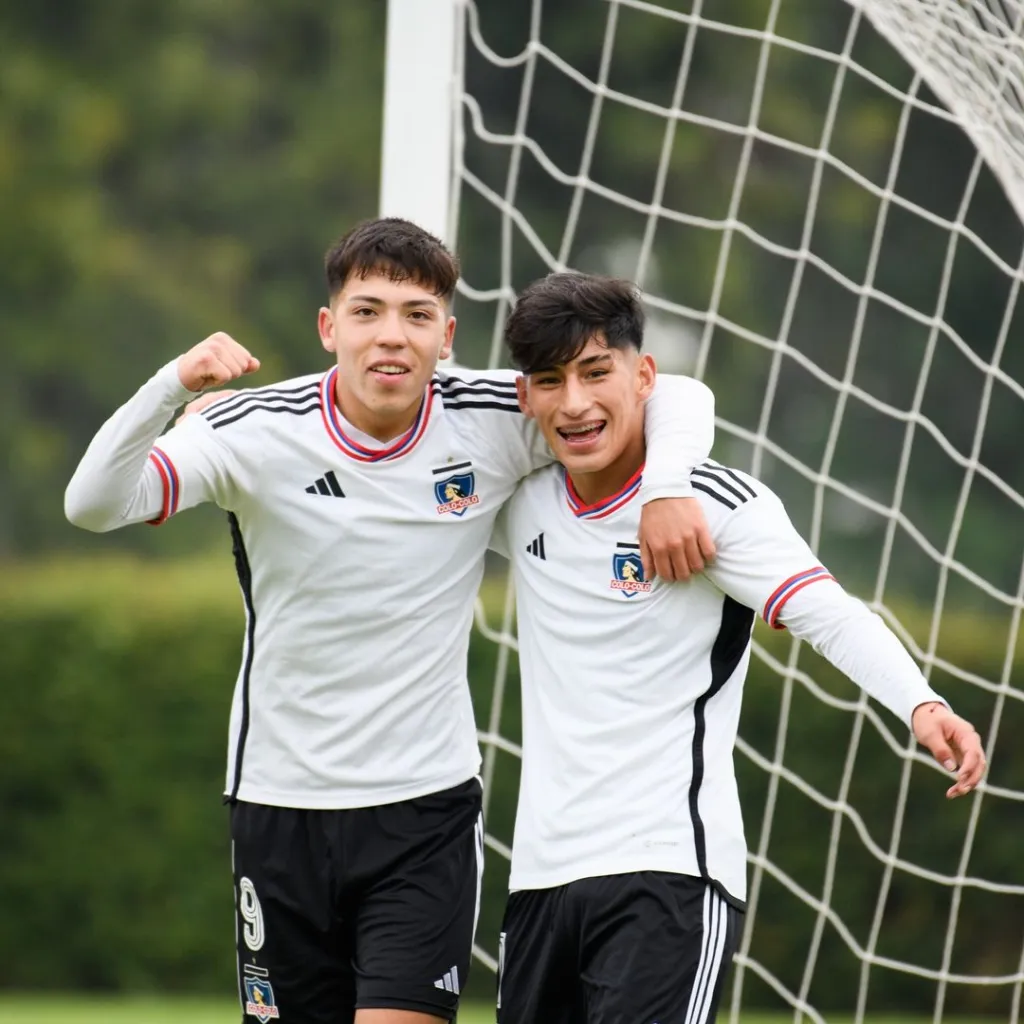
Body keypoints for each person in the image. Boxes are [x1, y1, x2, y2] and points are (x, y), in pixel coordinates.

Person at [63, 218, 719, 1024]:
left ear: (446, 336)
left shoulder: (493, 418)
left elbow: (673, 392)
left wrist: (667, 486)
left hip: (425, 811)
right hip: (279, 803)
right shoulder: (252, 430)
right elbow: (92, 504)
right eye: (367, 311)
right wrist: (172, 384)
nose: (391, 336)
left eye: (416, 315)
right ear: (328, 327)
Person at [488, 272, 987, 1024]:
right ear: (527, 397)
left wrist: (919, 701)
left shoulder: (718, 508)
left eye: (597, 373)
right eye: (551, 381)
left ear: (643, 376)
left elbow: (830, 614)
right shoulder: (522, 497)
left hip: (668, 874)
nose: (577, 403)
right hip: (539, 881)